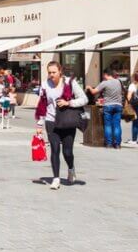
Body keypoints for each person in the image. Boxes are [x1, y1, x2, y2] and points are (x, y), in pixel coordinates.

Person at [35, 61, 87, 189]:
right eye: (49, 72)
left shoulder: (69, 83)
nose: (51, 75)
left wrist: (68, 103)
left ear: (60, 72)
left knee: (67, 152)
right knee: (54, 149)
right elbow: (42, 104)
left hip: (67, 121)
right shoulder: (45, 85)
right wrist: (39, 124)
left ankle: (71, 168)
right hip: (51, 121)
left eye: (54, 72)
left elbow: (84, 99)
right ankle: (56, 178)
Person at [87, 70, 124, 149]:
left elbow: (94, 92)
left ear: (105, 74)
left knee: (108, 125)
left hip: (108, 106)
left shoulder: (105, 83)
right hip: (118, 105)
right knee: (117, 125)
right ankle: (117, 144)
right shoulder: (118, 82)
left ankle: (109, 144)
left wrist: (89, 87)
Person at [127, 73, 138, 145]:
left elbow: (128, 97)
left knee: (135, 123)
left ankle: (134, 140)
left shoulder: (132, 85)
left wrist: (129, 105)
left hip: (136, 106)